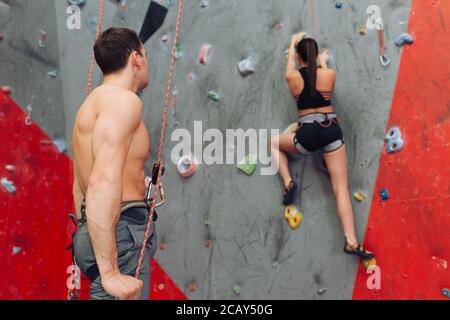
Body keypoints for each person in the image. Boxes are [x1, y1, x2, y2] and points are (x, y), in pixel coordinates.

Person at [71, 27, 157, 300]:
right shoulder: (123, 101)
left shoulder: (91, 104)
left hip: (99, 231)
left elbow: (79, 187)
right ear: (135, 58)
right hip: (121, 233)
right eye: (145, 55)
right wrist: (109, 273)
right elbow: (102, 180)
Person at [270, 32, 374, 260]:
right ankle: (351, 241)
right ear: (316, 56)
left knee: (273, 143)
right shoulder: (329, 74)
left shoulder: (291, 76)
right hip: (330, 130)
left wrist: (291, 43)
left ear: (298, 57)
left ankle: (288, 182)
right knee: (340, 189)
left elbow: (292, 69)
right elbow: (319, 76)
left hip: (307, 134)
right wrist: (324, 62)